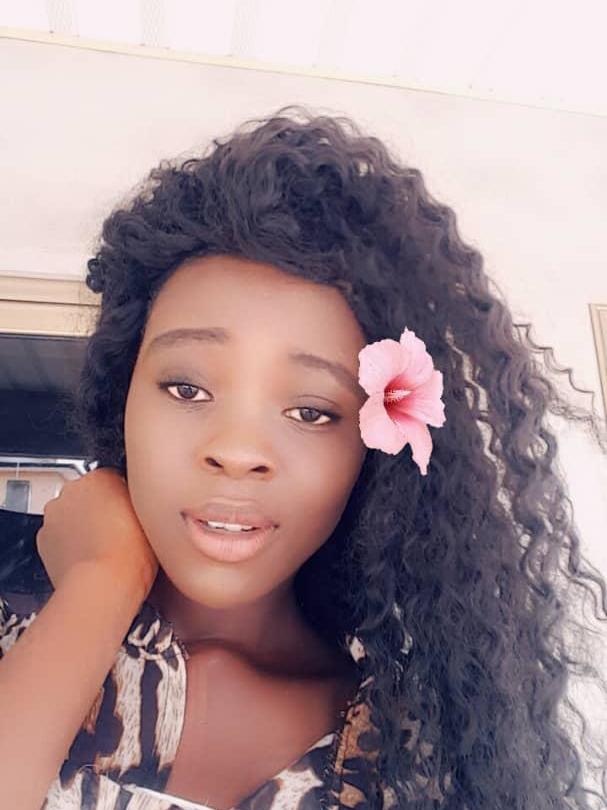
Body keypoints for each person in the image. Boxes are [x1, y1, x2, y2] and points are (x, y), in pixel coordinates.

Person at [1, 105, 606, 810]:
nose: (236, 451)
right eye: (187, 387)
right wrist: (101, 586)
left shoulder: (424, 754)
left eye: (312, 411)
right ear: (122, 398)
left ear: (371, 451)